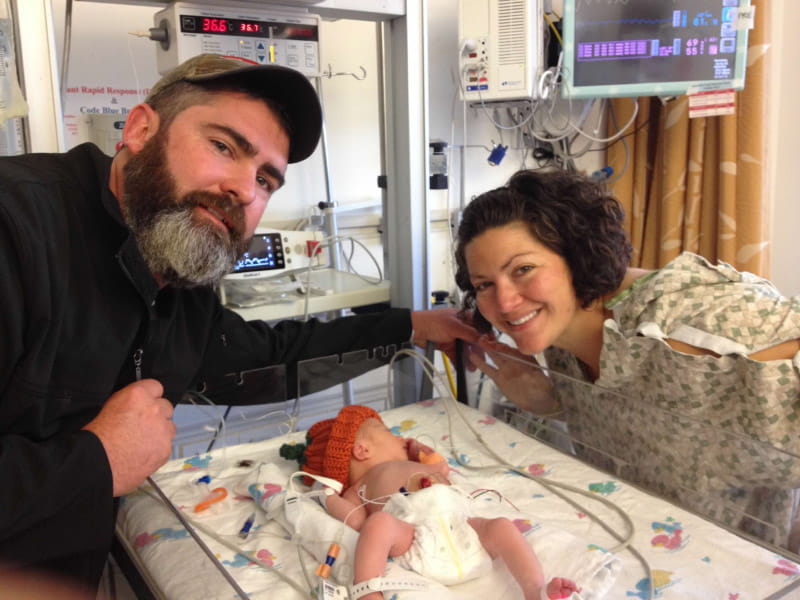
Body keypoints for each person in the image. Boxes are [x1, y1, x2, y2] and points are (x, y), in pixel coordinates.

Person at [0, 53, 477, 589]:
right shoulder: (17, 230)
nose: (244, 191)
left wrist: (411, 326)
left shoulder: (175, 279)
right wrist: (96, 459)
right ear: (139, 129)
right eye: (223, 146)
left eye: (266, 180)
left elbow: (268, 355)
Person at [453, 168, 800, 548]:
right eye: (484, 284)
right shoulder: (561, 336)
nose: (503, 302)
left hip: (743, 566)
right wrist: (551, 402)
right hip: (639, 546)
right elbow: (634, 425)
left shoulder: (691, 319)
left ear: (576, 256)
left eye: (523, 269)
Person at [280, 405, 580, 600]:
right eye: (390, 433)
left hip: (463, 529)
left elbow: (442, 470)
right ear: (361, 450)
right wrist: (328, 494)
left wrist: (423, 452)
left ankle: (535, 590)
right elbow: (356, 521)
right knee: (379, 523)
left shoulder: (413, 464)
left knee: (501, 527)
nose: (400, 439)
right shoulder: (361, 486)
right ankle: (368, 591)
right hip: (415, 537)